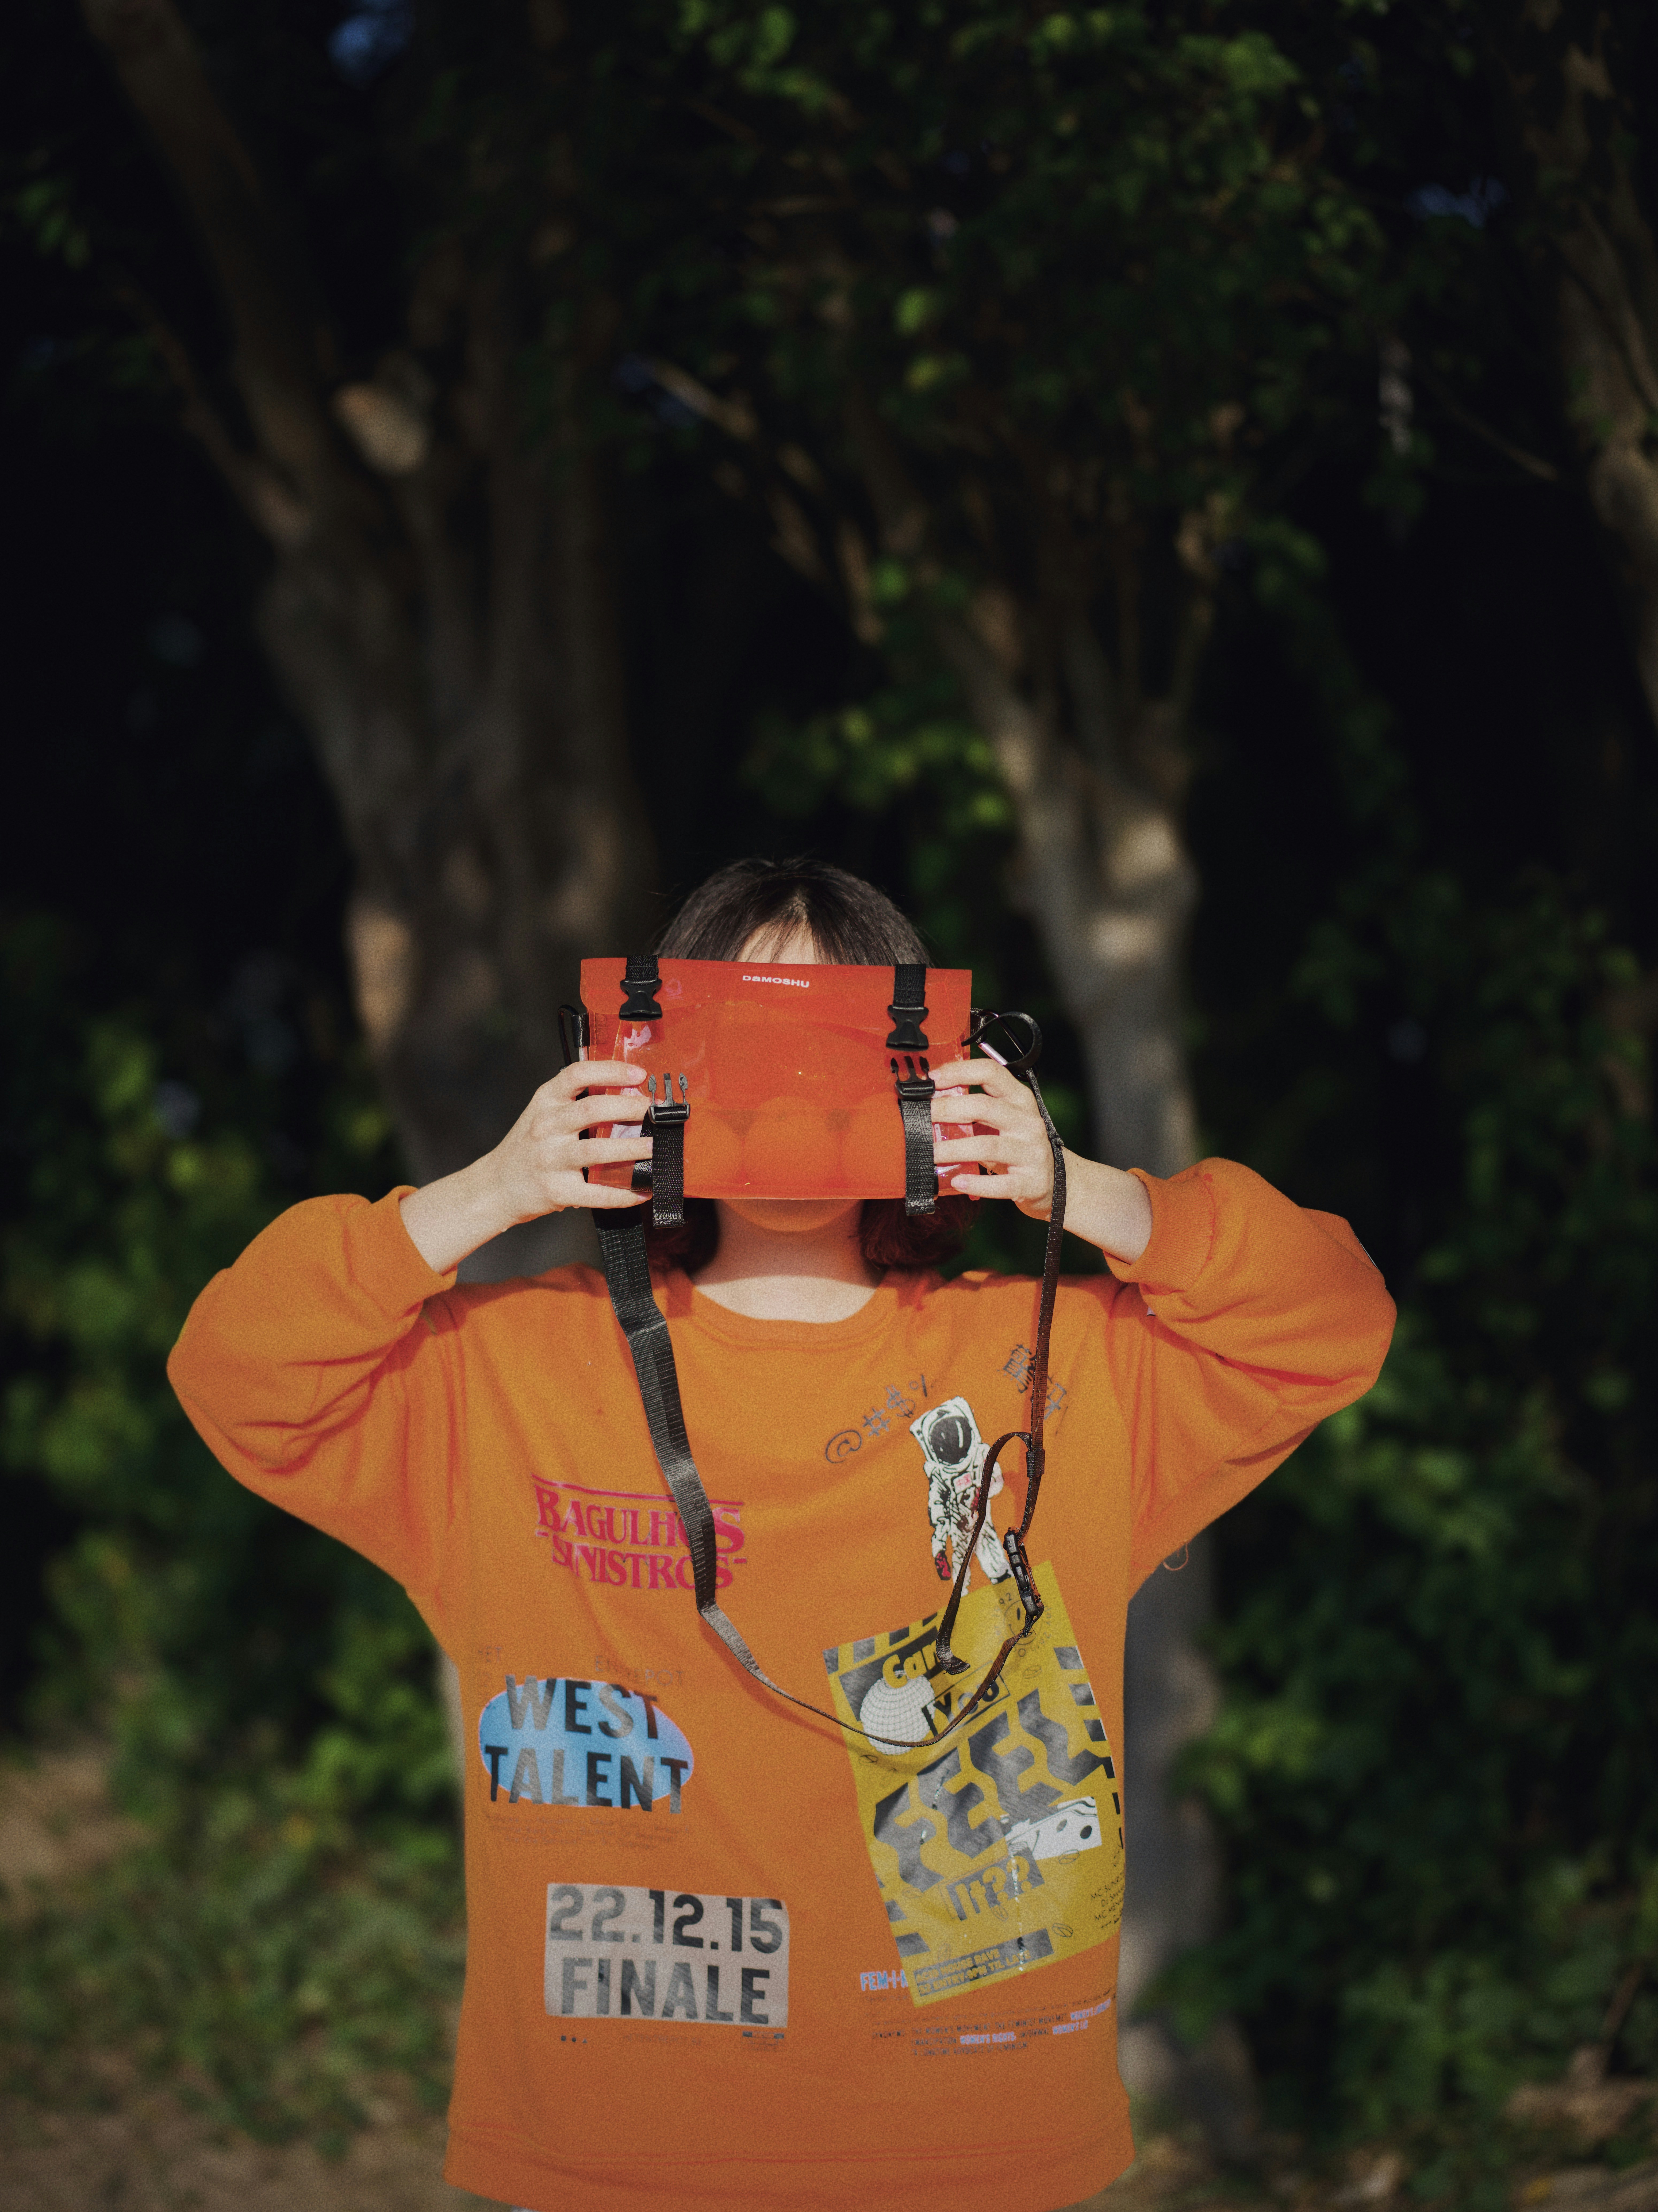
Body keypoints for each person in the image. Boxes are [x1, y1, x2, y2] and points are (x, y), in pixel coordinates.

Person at [168, 858, 1395, 2212]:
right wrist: (491, 1191)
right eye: (746, 1039)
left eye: (845, 1042)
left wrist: (1089, 1194)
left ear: (928, 1069)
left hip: (969, 2146)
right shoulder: (512, 1376)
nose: (798, 1089)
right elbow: (238, 1374)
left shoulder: (1051, 1359)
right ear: (651, 1063)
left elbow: (1330, 1321)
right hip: (618, 2147)